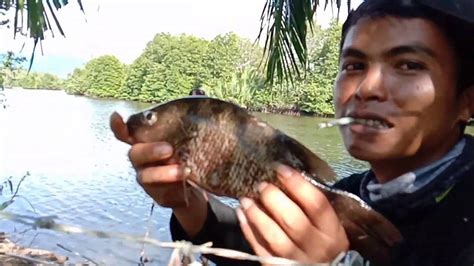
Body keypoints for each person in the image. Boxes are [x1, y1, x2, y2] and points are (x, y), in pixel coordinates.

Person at [110, 0, 474, 265]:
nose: (367, 87)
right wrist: (187, 203)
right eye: (354, 65)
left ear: (467, 103)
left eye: (409, 65)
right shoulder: (346, 196)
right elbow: (255, 251)